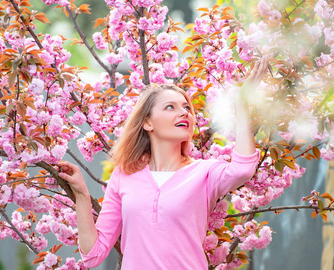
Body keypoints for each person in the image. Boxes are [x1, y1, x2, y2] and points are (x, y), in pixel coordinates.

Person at [58, 57, 269, 269]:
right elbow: (93, 255)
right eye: (170, 107)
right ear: (148, 123)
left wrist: (241, 106)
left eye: (186, 107)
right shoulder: (124, 175)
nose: (184, 112)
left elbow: (243, 169)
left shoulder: (205, 173)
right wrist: (82, 196)